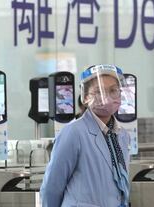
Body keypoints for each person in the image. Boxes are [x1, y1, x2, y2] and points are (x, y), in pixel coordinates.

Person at [41, 64, 131, 207]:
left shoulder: (122, 135)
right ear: (85, 97)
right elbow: (52, 187)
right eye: (99, 91)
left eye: (113, 90)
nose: (106, 97)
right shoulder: (74, 132)